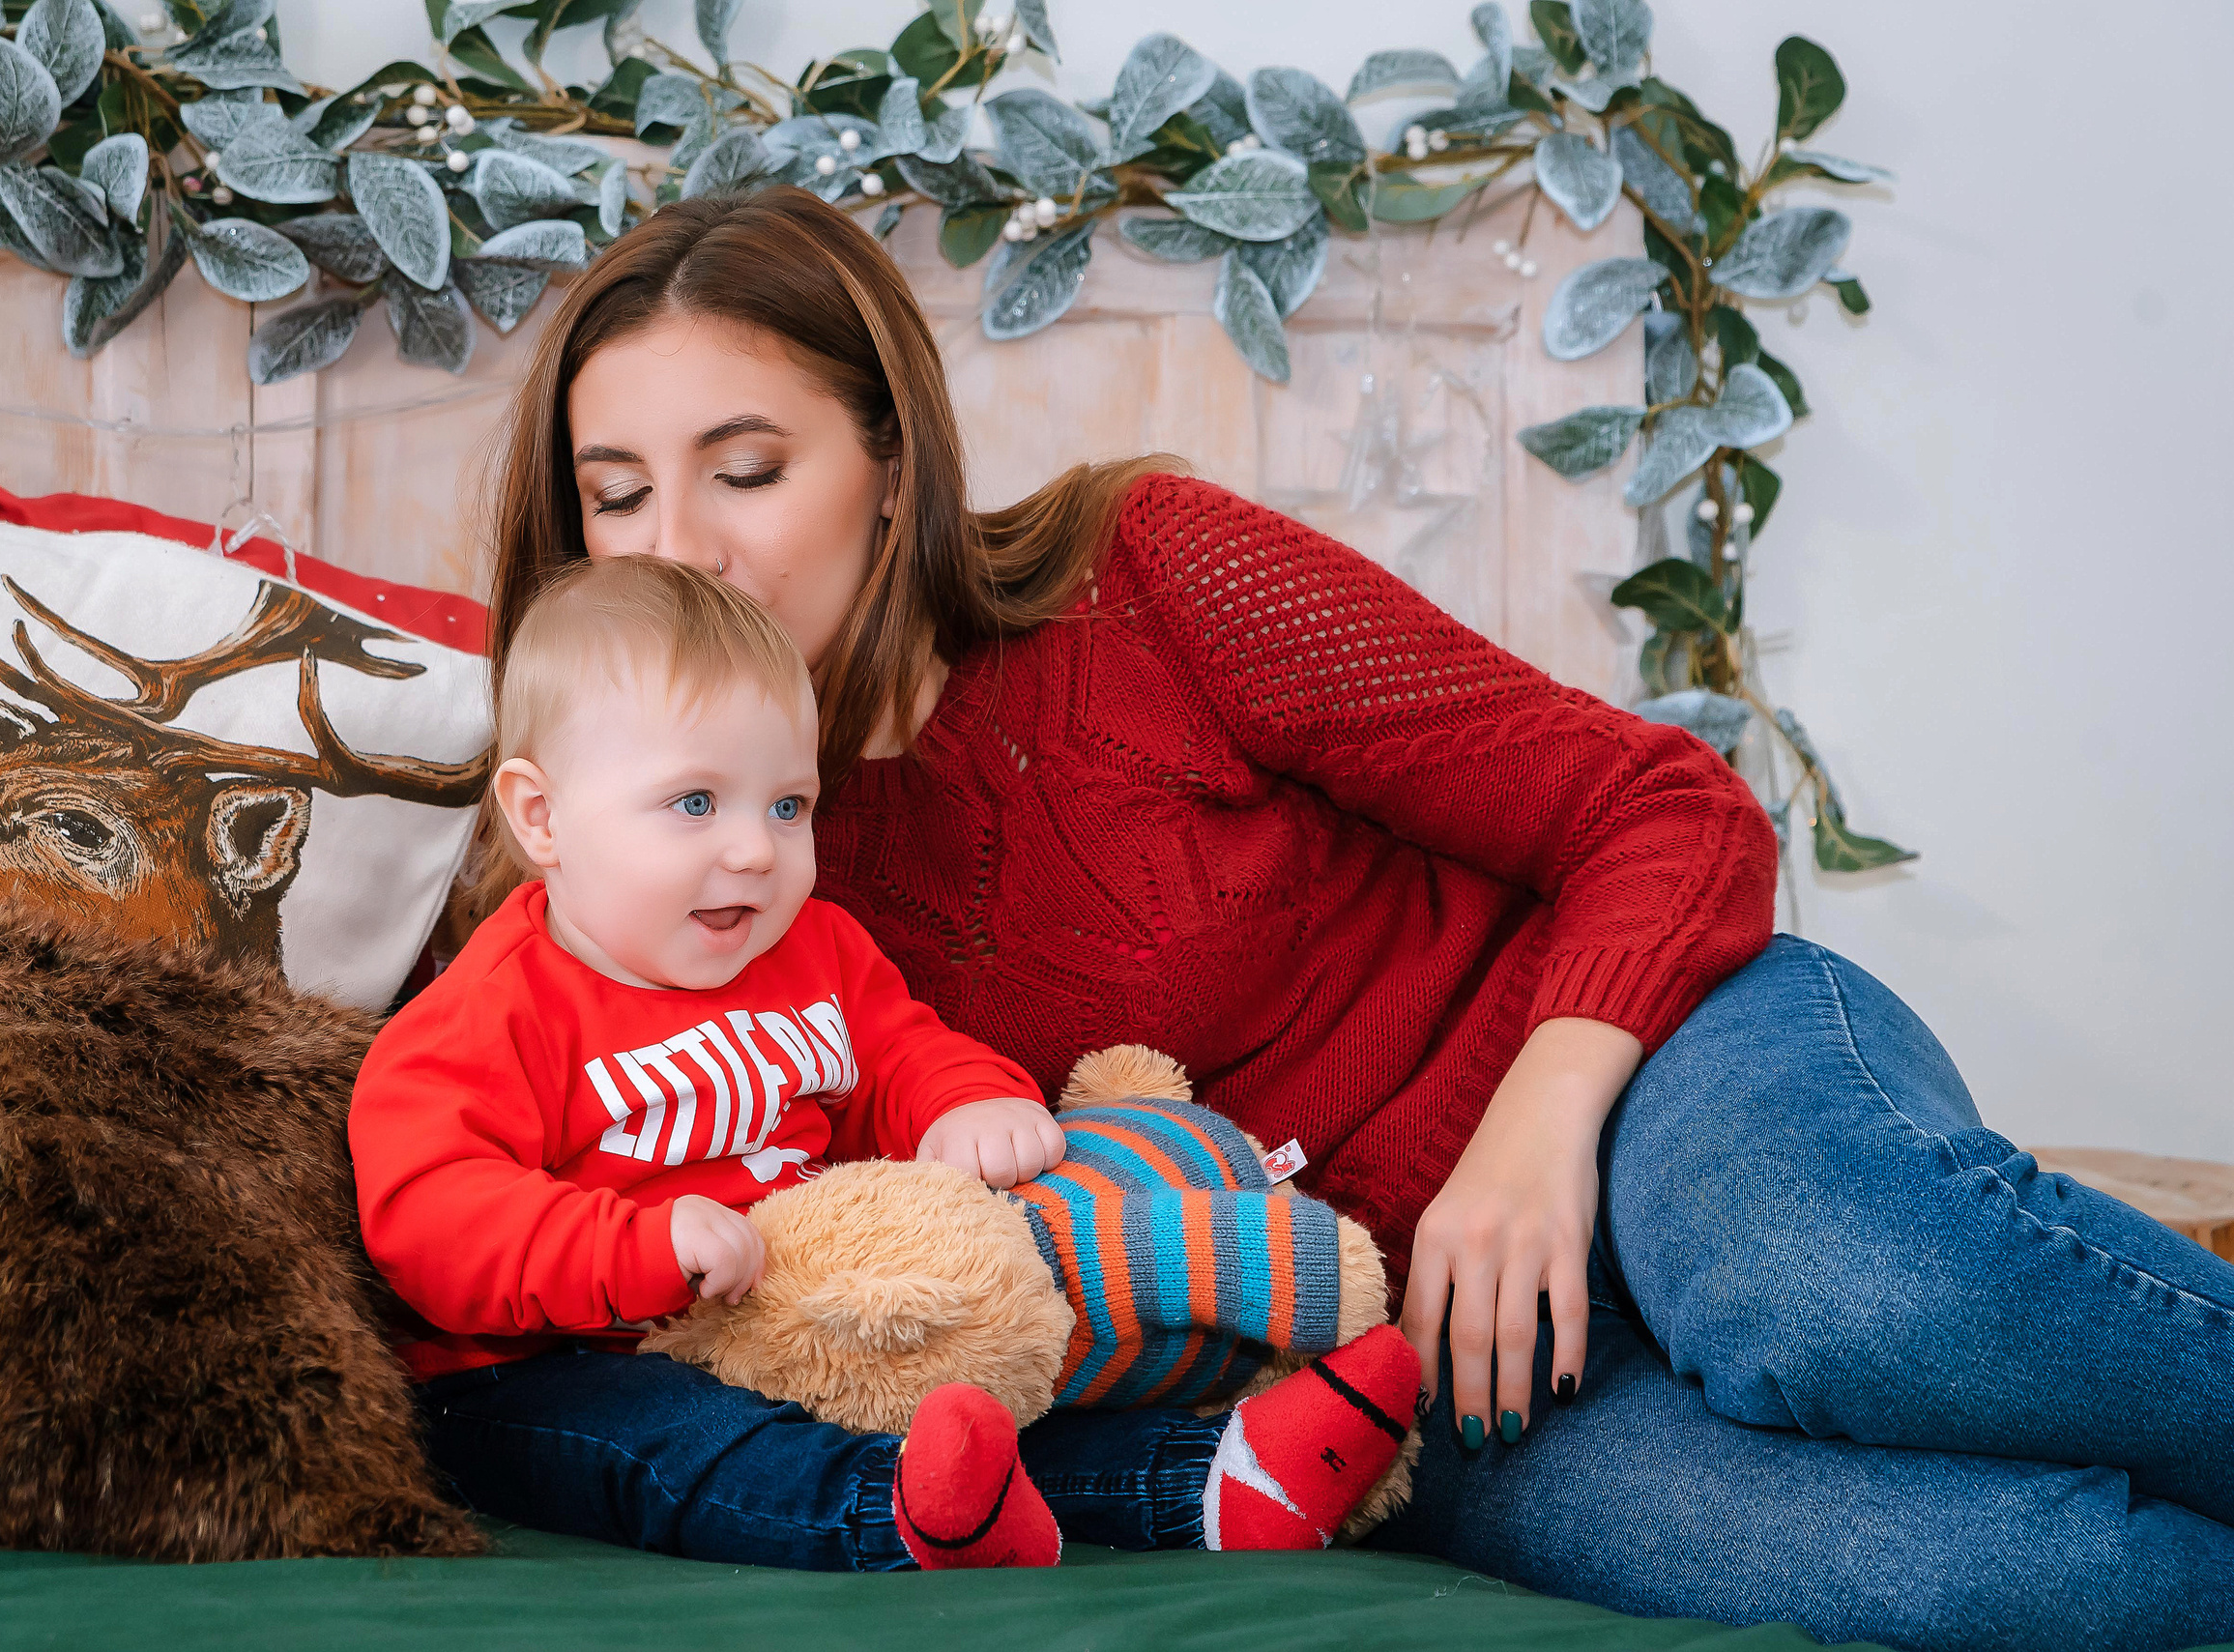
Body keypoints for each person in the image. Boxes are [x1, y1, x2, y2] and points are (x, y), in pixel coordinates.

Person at [466, 186, 2234, 1651]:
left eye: (745, 466)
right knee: (2026, 1585)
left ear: (894, 466)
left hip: (1646, 1075)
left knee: (1840, 1289)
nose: (674, 543)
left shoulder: (1144, 573)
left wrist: (1540, 1131)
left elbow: (1658, 806)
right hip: (1426, 1368)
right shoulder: (689, 904)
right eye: (617, 492)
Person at [352, 550, 1422, 1572]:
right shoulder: (484, 1014)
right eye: (694, 803)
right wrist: (634, 1243)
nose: (754, 849)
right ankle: (885, 1518)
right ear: (541, 815)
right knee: (674, 1436)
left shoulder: (812, 946)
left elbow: (901, 1049)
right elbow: (428, 1216)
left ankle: (1206, 1481)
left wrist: (963, 1101)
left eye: (788, 804)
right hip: (549, 1365)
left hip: (801, 1321)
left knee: (976, 1401)